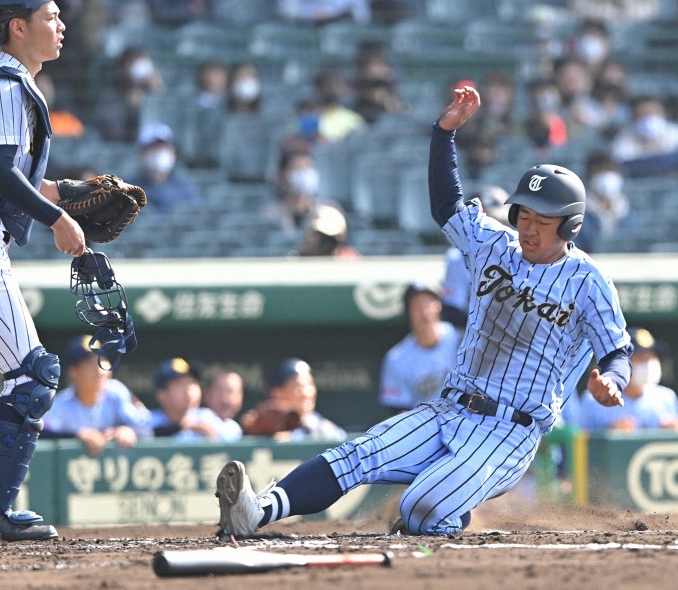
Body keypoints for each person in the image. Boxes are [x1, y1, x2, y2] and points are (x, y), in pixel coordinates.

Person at [215, 84, 631, 539]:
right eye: (524, 216)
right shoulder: (495, 246)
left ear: (569, 224)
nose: (528, 228)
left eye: (542, 221)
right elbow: (447, 206)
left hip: (510, 431)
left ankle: (445, 529)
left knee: (421, 505)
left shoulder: (589, 282)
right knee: (357, 453)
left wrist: (612, 381)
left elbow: (617, 351)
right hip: (450, 407)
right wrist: (444, 134)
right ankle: (256, 513)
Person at [0, 0, 86, 542]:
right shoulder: (9, 84)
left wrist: (60, 191)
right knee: (33, 376)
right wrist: (56, 217)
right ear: (19, 26)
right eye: (51, 17)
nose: (61, 26)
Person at [42, 335, 152, 455]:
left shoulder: (116, 392)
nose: (100, 370)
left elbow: (147, 429)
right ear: (73, 372)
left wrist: (130, 431)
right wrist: (76, 435)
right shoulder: (61, 403)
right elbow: (41, 433)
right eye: (90, 363)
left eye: (103, 360)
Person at [578, 327, 678, 432]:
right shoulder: (594, 399)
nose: (647, 363)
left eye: (651, 357)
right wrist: (609, 433)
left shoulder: (666, 398)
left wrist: (674, 430)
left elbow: (677, 443)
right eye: (640, 358)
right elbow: (578, 442)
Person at [378, 283, 460, 414]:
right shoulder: (397, 358)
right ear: (408, 312)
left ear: (439, 306)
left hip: (465, 418)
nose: (424, 311)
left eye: (428, 303)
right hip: (427, 425)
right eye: (417, 305)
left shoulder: (461, 339)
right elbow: (399, 410)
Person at [440, 185, 510, 328]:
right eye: (490, 222)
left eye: (500, 223)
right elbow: (453, 311)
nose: (497, 229)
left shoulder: (517, 252)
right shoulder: (459, 257)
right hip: (472, 336)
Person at [239, 358, 346, 441]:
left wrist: (293, 437)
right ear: (277, 392)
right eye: (298, 387)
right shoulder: (260, 422)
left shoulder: (323, 426)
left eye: (310, 385)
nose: (306, 393)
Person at [610, 95, 678, 176]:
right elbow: (620, 166)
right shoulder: (624, 138)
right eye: (643, 114)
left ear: (664, 114)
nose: (650, 117)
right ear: (633, 118)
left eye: (655, 112)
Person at [150, 358, 241, 443]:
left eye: (192, 383)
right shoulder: (148, 422)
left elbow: (233, 437)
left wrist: (209, 434)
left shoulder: (209, 419)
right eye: (180, 385)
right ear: (161, 394)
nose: (189, 391)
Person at [92, 45, 165, 142]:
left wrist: (160, 95)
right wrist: (129, 108)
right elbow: (112, 134)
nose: (141, 67)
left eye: (144, 61)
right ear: (122, 68)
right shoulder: (110, 95)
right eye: (133, 62)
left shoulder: (156, 91)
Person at [128, 122, 203, 213]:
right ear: (141, 153)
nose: (159, 153)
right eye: (153, 148)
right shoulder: (129, 189)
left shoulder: (185, 188)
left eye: (163, 148)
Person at [202, 366, 244, 436]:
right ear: (207, 394)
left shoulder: (235, 429)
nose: (225, 399)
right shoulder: (196, 417)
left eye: (230, 391)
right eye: (219, 390)